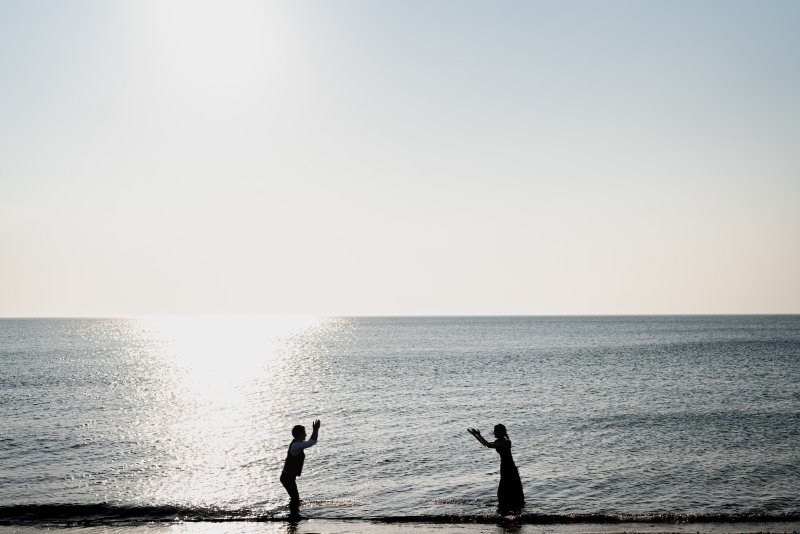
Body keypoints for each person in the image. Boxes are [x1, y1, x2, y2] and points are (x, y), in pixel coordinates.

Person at [468, 424, 525, 512]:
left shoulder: (505, 442)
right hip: (505, 467)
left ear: (499, 432)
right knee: (505, 490)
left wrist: (479, 435)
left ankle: (508, 510)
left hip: (509, 468)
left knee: (503, 491)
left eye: (495, 431)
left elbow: (489, 445)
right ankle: (508, 509)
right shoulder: (499, 441)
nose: (493, 432)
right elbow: (486, 445)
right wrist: (475, 435)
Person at [280, 419, 321, 507]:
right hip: (287, 477)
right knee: (295, 499)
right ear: (299, 434)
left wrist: (315, 430)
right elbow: (312, 442)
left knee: (295, 499)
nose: (306, 434)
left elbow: (312, 441)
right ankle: (293, 518)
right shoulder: (295, 445)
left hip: (289, 477)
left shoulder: (298, 443)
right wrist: (316, 429)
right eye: (304, 433)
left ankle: (293, 516)